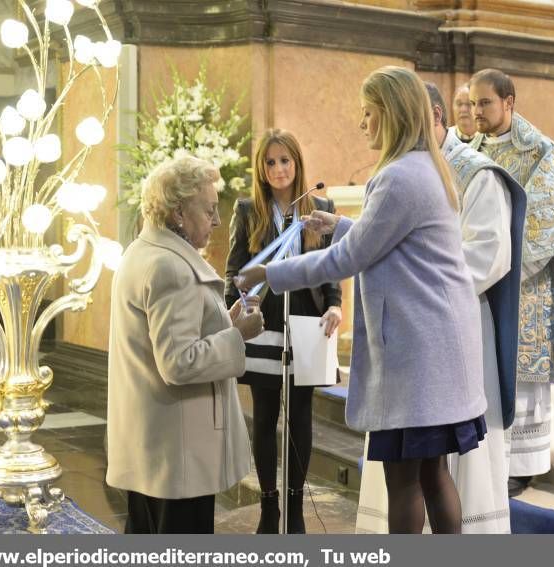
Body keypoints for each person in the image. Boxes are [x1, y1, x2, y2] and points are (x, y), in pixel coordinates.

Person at [236, 66, 487, 534]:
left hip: (417, 351)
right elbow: (400, 244)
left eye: (368, 114)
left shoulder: (397, 177)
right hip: (436, 342)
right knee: (433, 474)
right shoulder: (427, 165)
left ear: (390, 115)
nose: (362, 124)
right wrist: (342, 226)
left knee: (406, 480)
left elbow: (347, 260)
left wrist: (270, 271)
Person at [354, 82, 527, 534]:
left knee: (432, 469)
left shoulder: (475, 173)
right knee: (420, 469)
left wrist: (421, 287)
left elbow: (491, 254)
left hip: (452, 327)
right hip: (412, 337)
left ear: (433, 115)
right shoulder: (409, 166)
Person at [106, 155, 264, 534]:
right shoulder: (170, 267)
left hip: (156, 444)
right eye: (209, 209)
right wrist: (237, 335)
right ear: (178, 212)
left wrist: (223, 321)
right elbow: (178, 362)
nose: (217, 220)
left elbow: (170, 338)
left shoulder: (143, 252)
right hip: (178, 453)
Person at [468, 68, 554, 496]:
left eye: (485, 102)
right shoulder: (470, 152)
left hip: (526, 285)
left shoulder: (540, 152)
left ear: (509, 102)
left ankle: (524, 463)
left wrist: (503, 266)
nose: (477, 111)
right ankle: (491, 458)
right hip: (484, 284)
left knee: (521, 375)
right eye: (472, 103)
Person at [224, 129, 342, 534]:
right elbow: (233, 269)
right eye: (270, 162)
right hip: (263, 323)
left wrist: (335, 305)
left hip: (307, 322)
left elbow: (333, 265)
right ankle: (268, 504)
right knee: (264, 416)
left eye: (285, 161)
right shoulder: (248, 210)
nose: (278, 169)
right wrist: (233, 312)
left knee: (302, 416)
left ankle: (295, 505)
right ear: (261, 168)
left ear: (297, 163)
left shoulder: (320, 207)